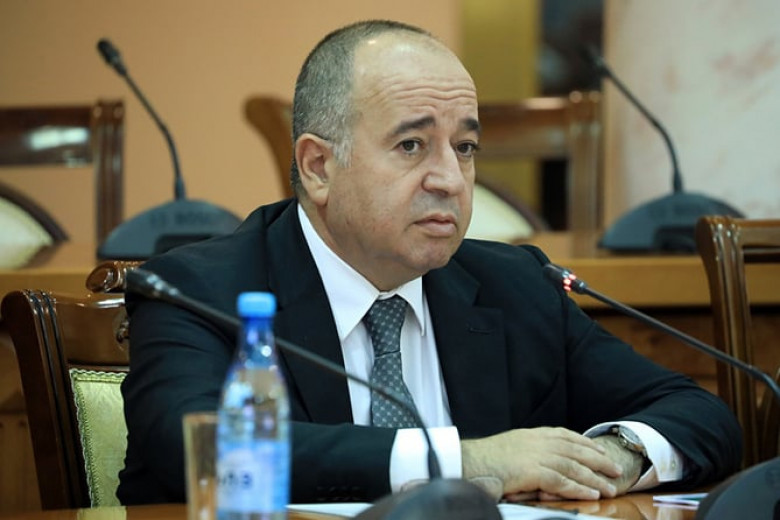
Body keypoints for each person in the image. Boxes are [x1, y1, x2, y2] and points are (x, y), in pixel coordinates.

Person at [117, 19, 741, 505]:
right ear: (318, 166)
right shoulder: (195, 291)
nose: (450, 179)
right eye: (412, 144)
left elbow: (699, 414)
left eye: (464, 147)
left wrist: (614, 457)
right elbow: (203, 450)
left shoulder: (516, 286)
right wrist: (469, 461)